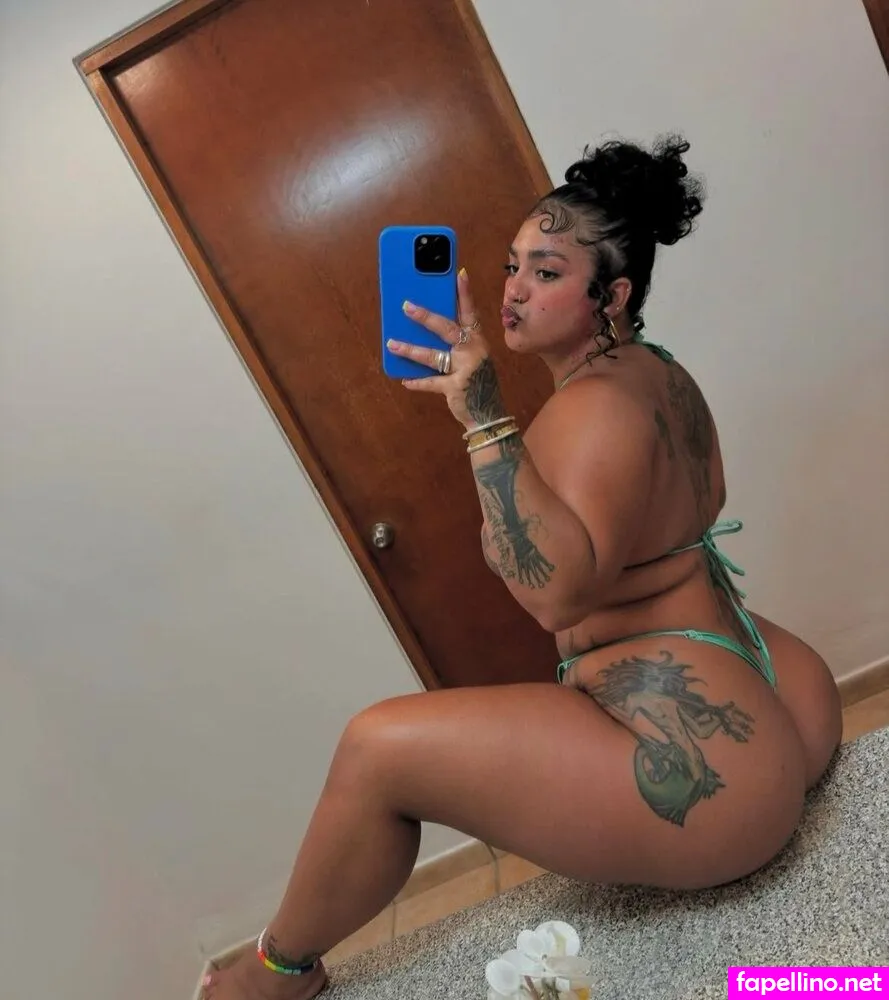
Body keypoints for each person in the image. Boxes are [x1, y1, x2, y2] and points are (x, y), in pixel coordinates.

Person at [204, 134, 842, 1000]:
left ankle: (276, 973)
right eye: (511, 266)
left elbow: (553, 596)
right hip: (778, 686)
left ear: (611, 295)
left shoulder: (591, 410)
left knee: (375, 749)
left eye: (546, 272)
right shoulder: (656, 372)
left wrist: (482, 419)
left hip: (713, 773)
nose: (511, 290)